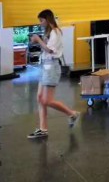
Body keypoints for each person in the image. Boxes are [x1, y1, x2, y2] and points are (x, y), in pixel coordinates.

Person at [28, 9, 79, 139]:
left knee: (47, 100)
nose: (40, 23)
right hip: (45, 65)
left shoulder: (55, 32)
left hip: (51, 66)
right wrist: (39, 41)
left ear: (47, 19)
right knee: (40, 98)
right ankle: (43, 129)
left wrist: (38, 39)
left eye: (41, 20)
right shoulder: (50, 33)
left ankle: (72, 114)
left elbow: (50, 50)